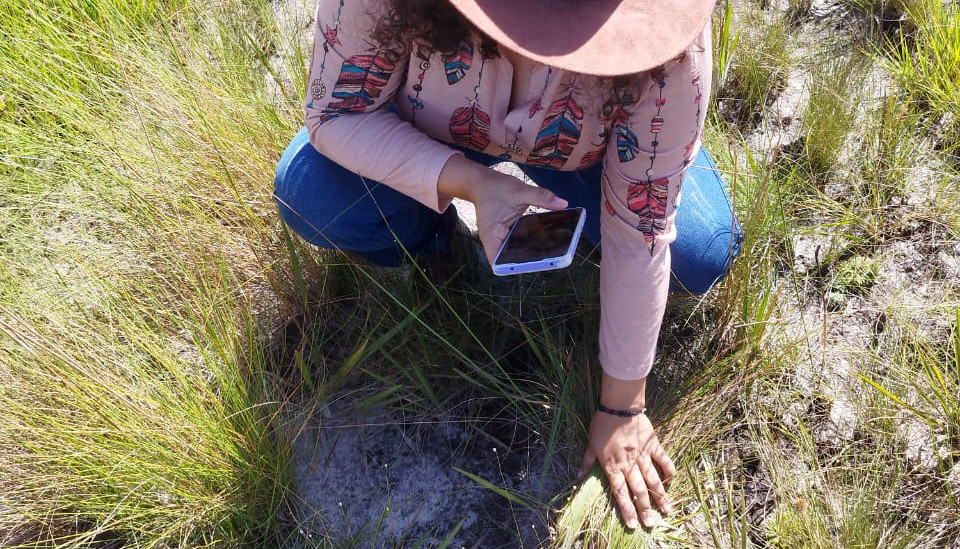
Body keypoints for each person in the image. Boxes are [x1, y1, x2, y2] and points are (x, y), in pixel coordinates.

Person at [274, 0, 742, 530]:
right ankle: (433, 242)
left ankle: (583, 229)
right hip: (428, 129)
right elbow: (339, 115)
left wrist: (622, 406)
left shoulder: (669, 52)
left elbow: (643, 225)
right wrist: (470, 182)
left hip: (582, 158)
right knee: (311, 192)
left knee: (698, 252)